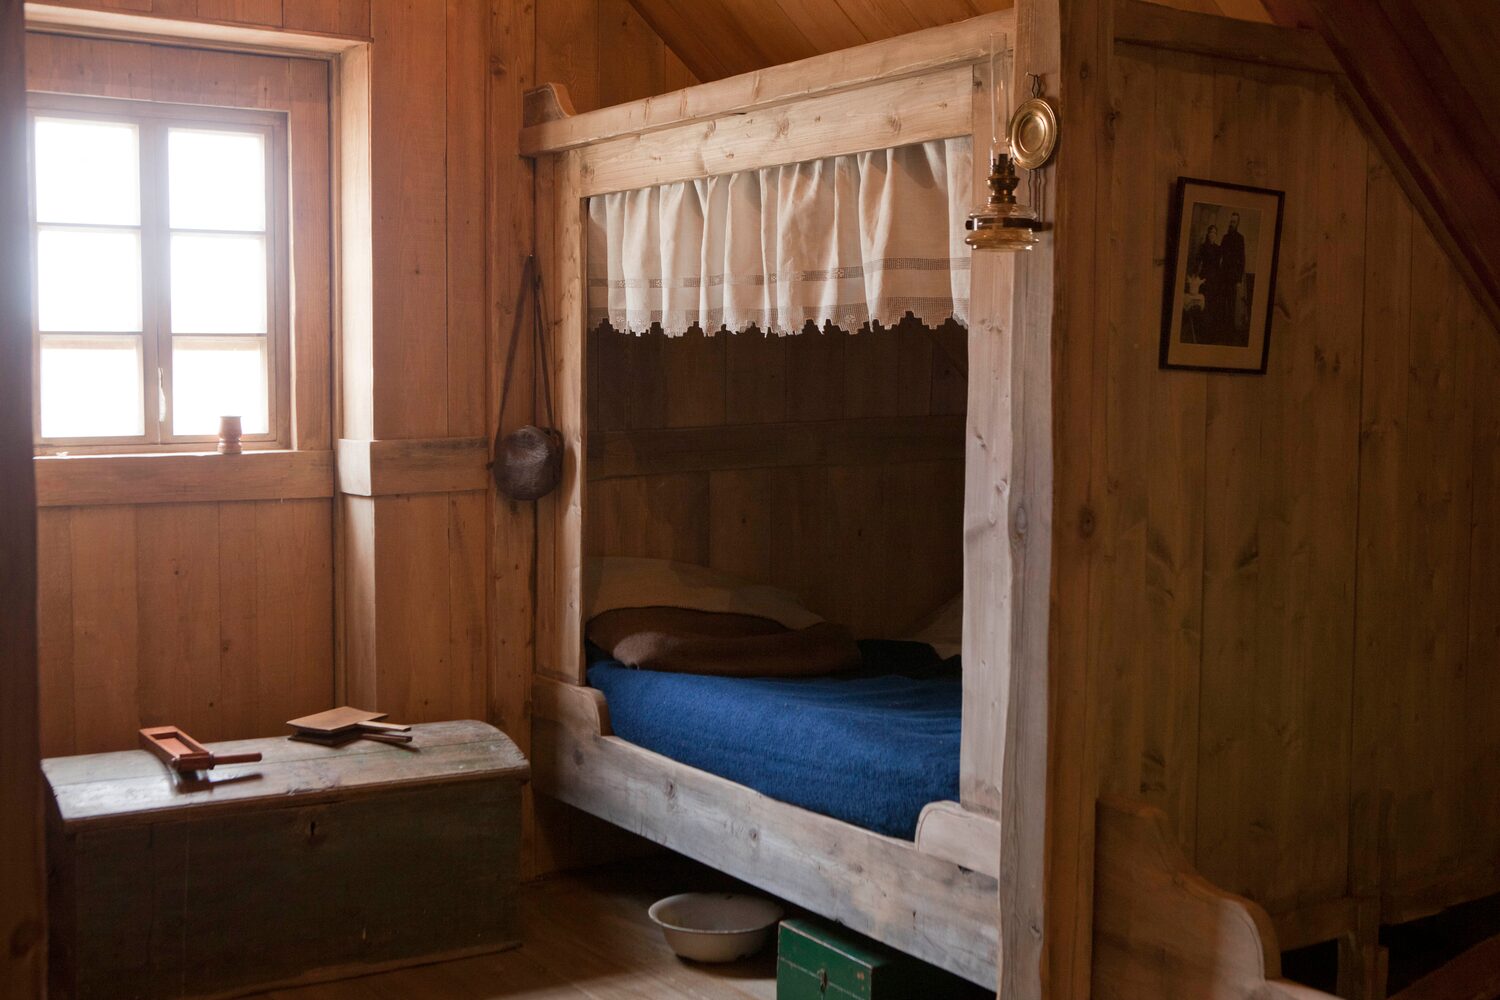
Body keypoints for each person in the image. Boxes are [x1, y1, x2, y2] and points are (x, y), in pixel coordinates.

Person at [1215, 211, 1247, 343]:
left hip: (1233, 278)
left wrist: (1239, 280)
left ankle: (1229, 332)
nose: (1231, 223)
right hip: (1223, 276)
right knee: (1222, 303)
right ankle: (1221, 330)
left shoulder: (1240, 238)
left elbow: (1242, 259)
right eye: (1231, 221)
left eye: (1234, 222)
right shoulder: (1225, 237)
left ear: (1237, 223)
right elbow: (1219, 254)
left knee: (1231, 305)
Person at [1192, 224, 1224, 344]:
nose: (1212, 234)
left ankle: (1210, 333)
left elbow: (1220, 266)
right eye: (1211, 232)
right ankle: (1202, 332)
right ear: (1208, 233)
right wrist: (1196, 276)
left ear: (1216, 235)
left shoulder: (1218, 248)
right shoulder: (1203, 246)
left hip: (1215, 281)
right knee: (1203, 304)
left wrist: (1219, 280)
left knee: (1212, 305)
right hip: (1204, 279)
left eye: (1214, 233)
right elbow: (1198, 262)